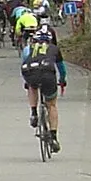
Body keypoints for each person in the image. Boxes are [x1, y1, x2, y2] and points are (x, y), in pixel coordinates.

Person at [21, 22, 66, 150]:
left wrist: (27, 81)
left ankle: (34, 112)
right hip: (47, 73)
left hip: (29, 71)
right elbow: (61, 69)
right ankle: (53, 136)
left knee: (31, 86)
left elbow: (24, 61)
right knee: (51, 104)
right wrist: (62, 80)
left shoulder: (28, 49)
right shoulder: (54, 49)